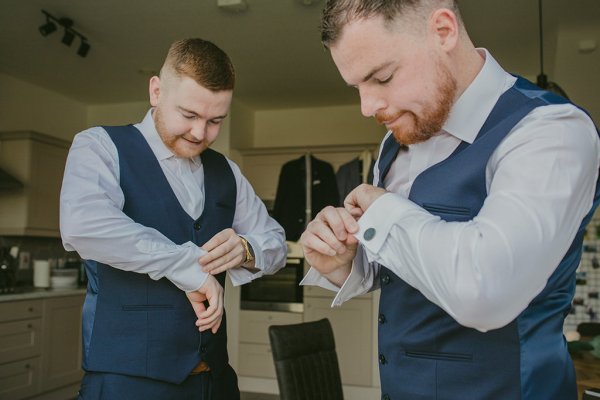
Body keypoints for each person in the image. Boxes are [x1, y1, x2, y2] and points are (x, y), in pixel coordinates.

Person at [299, 1, 600, 399]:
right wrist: (348, 262)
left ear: (443, 31)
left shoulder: (551, 131)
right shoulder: (395, 140)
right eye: (357, 87)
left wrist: (384, 209)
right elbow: (401, 264)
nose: (367, 107)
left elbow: (486, 292)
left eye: (383, 77)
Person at [60, 38, 286, 400]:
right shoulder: (99, 146)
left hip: (214, 380)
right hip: (126, 382)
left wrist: (246, 248)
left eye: (216, 121)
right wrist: (189, 266)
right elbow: (84, 225)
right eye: (189, 115)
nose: (200, 133)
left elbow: (275, 241)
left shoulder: (226, 171)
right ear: (156, 91)